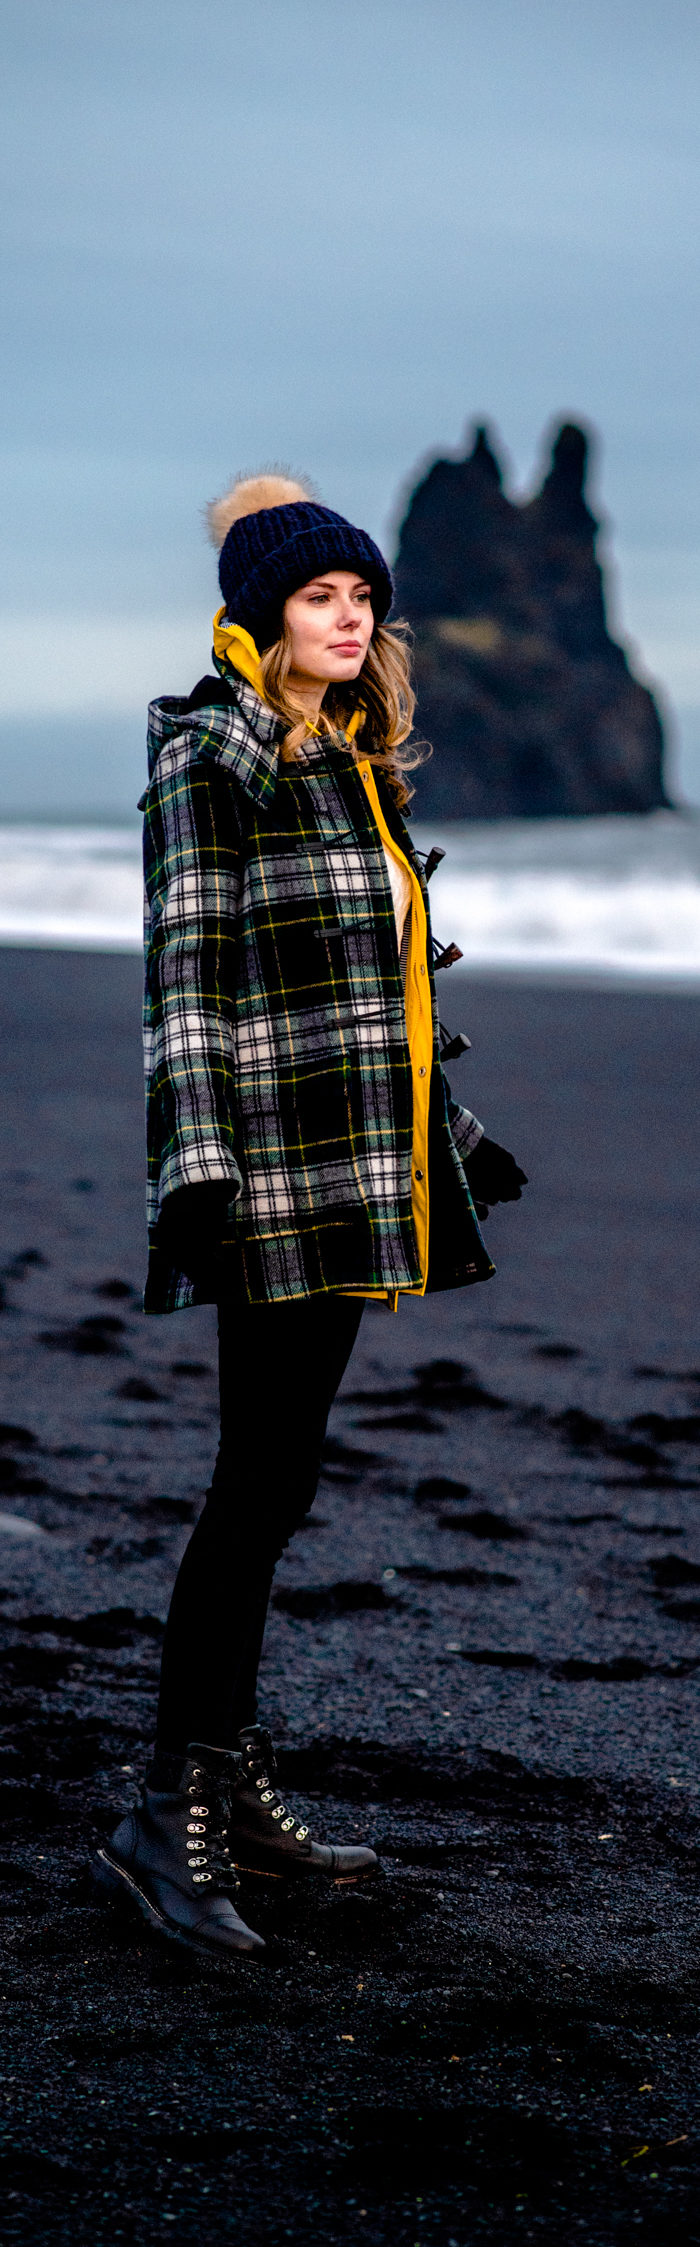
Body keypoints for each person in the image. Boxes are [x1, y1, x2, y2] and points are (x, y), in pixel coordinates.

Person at [93, 474, 527, 1959]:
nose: (349, 617)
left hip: (357, 1170)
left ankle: (228, 1779)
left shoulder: (347, 757)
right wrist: (195, 1175)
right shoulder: (210, 754)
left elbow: (373, 984)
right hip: (264, 1175)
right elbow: (187, 983)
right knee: (250, 1489)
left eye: (363, 598)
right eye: (319, 595)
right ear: (261, 611)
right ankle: (169, 1814)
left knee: (278, 1490)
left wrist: (446, 1137)